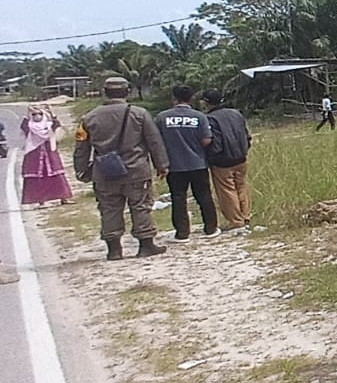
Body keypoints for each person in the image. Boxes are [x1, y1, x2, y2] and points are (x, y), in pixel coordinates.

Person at [74, 76, 169, 260]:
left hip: (104, 173)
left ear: (105, 92)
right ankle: (146, 245)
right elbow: (154, 141)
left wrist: (82, 170)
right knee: (141, 206)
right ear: (127, 92)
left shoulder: (89, 117)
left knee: (109, 209)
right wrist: (162, 165)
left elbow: (81, 147)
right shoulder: (139, 113)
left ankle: (114, 250)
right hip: (136, 170)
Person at [157, 85, 220, 241]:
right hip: (198, 164)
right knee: (204, 196)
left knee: (178, 198)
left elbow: (156, 141)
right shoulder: (199, 117)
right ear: (192, 99)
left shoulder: (162, 118)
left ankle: (182, 233)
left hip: (175, 165)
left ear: (173, 99)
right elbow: (206, 140)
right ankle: (210, 228)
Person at [203, 89, 254, 231]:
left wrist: (212, 157)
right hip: (241, 157)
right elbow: (246, 134)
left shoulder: (210, 118)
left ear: (206, 103)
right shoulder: (236, 113)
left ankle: (236, 221)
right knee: (242, 187)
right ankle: (246, 215)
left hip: (222, 161)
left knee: (227, 191)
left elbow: (214, 141)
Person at [20, 104, 75, 207]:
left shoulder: (48, 125)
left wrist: (51, 112)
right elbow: (24, 126)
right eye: (35, 114)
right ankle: (41, 201)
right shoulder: (30, 127)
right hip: (34, 154)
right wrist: (28, 113)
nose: (37, 116)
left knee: (57, 176)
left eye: (40, 114)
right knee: (37, 178)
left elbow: (56, 124)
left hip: (50, 154)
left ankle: (64, 198)